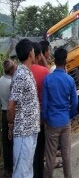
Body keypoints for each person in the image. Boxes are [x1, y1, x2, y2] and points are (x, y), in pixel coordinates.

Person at [42, 47, 78, 178]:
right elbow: (74, 102)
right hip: (65, 121)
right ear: (65, 61)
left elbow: (45, 105)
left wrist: (46, 119)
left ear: (54, 61)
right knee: (66, 155)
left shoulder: (48, 79)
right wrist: (71, 115)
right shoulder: (70, 80)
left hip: (52, 123)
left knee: (50, 157)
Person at [7, 38, 40, 178]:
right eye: (32, 50)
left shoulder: (26, 72)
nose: (34, 52)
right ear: (30, 53)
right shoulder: (21, 75)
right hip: (23, 130)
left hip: (31, 128)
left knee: (27, 168)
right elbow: (11, 106)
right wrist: (10, 125)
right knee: (21, 171)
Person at [31, 42, 50, 178]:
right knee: (41, 149)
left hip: (28, 121)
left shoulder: (22, 72)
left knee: (33, 152)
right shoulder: (44, 71)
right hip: (42, 118)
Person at [0, 59, 17, 177]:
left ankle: (7, 168)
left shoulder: (0, 80)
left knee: (6, 142)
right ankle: (16, 166)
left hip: (3, 112)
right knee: (15, 141)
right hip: (12, 113)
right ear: (11, 70)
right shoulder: (12, 82)